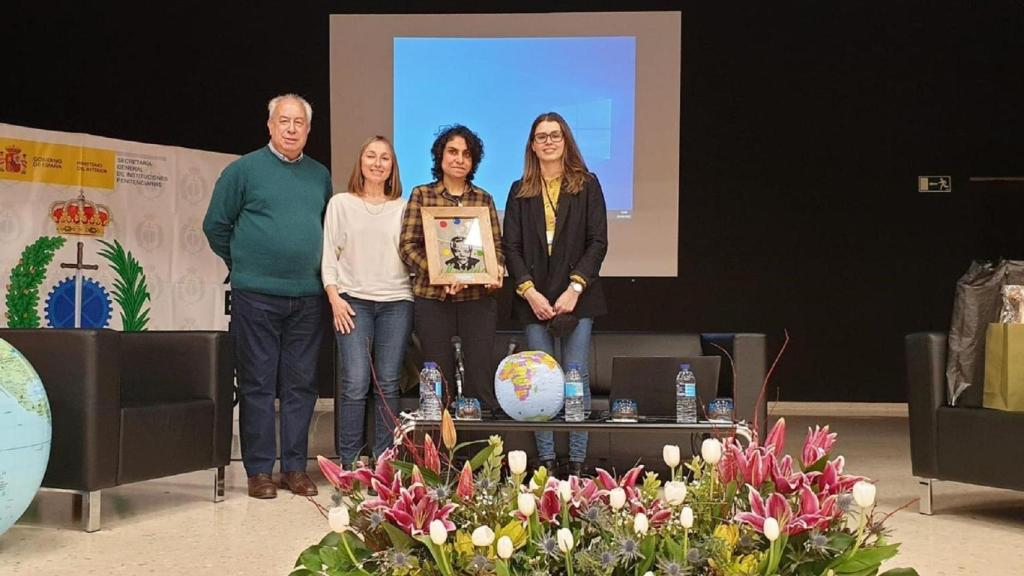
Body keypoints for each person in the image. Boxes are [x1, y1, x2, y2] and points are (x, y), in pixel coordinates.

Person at [203, 93, 332, 499]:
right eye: (284, 121)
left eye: (299, 123)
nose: (292, 129)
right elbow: (215, 227)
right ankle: (259, 470)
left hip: (309, 297)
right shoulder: (243, 170)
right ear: (270, 126)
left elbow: (328, 231)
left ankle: (295, 468)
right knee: (257, 384)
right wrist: (245, 264)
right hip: (255, 295)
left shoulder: (320, 176)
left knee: (300, 385)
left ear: (308, 131)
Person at [502, 112, 608, 477]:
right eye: (541, 136)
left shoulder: (587, 184)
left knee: (575, 376)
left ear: (566, 141)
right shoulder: (519, 191)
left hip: (577, 298)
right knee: (539, 383)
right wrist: (529, 292)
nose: (548, 142)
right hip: (534, 301)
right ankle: (546, 459)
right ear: (532, 145)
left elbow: (598, 241)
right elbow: (510, 248)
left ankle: (577, 460)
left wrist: (575, 287)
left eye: (555, 136)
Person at [322, 136, 412, 469]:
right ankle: (348, 462)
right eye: (370, 156)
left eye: (384, 158)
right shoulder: (340, 203)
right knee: (355, 382)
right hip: (351, 303)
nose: (377, 162)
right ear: (360, 162)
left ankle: (384, 460)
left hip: (397, 302)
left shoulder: (404, 207)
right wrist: (334, 297)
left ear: (393, 167)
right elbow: (329, 255)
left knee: (388, 383)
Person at [400, 124, 503, 413]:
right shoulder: (422, 195)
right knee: (436, 381)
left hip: (477, 301)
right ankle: (436, 458)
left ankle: (480, 456)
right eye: (453, 152)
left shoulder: (483, 199)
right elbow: (408, 246)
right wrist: (440, 275)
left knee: (479, 379)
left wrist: (497, 271)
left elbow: (496, 247)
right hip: (433, 300)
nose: (459, 159)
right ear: (440, 157)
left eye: (466, 154)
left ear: (473, 161)